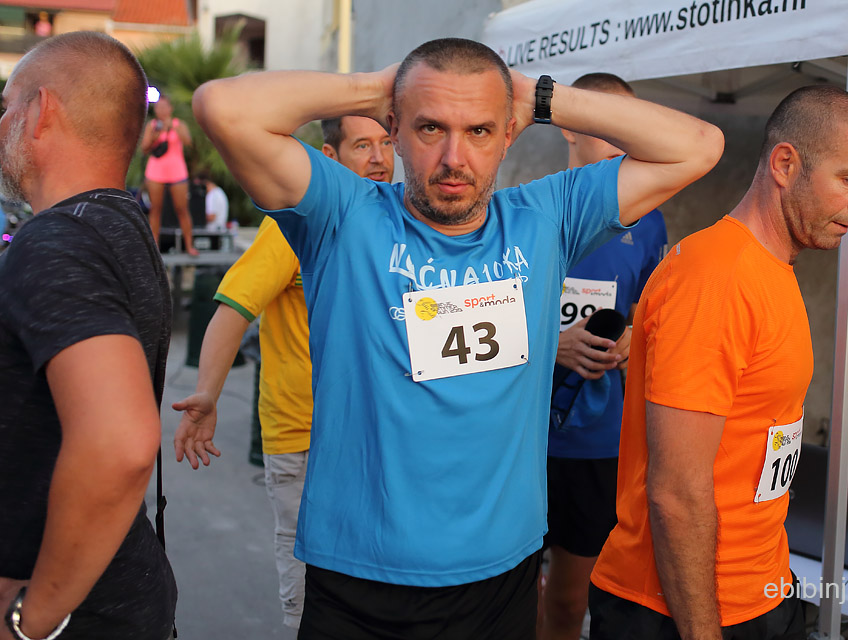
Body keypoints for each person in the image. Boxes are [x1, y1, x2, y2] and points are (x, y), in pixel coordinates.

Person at [188, 37, 722, 637]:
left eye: (479, 131)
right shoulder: (344, 213)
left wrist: (538, 96)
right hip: (360, 577)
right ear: (394, 128)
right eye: (429, 128)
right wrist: (376, 87)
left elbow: (699, 146)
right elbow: (222, 107)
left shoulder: (546, 217)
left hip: (500, 580)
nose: (453, 158)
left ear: (509, 134)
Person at [590, 85, 848, 640]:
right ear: (785, 164)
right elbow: (677, 491)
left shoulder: (769, 268)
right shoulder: (716, 277)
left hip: (761, 590)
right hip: (681, 608)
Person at [173, 115, 395, 629]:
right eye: (363, 145)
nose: (379, 158)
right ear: (330, 156)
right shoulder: (297, 220)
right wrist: (207, 392)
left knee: (374, 591)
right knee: (312, 600)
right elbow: (233, 308)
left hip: (378, 437)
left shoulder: (397, 220)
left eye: (386, 143)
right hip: (304, 438)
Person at [0, 31, 177, 640]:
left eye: (6, 106)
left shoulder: (55, 242)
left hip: (78, 614)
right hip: (125, 595)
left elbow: (121, 441)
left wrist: (32, 618)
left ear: (40, 111)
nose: (1, 124)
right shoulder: (119, 225)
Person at [540, 72, 668, 640]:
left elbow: (648, 318)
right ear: (569, 127)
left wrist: (633, 338)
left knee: (572, 600)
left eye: (627, 126)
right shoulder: (531, 210)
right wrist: (553, 344)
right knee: (511, 597)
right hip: (521, 438)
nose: (620, 138)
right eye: (604, 124)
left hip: (599, 443)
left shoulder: (649, 220)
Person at [142, 95, 198, 255]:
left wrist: (172, 127)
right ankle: (154, 247)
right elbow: (144, 148)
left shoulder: (179, 124)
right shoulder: (152, 125)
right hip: (156, 171)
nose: (161, 110)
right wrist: (156, 134)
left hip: (176, 171)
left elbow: (188, 142)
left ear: (170, 108)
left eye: (164, 107)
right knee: (155, 209)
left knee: (182, 209)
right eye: (158, 107)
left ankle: (189, 245)